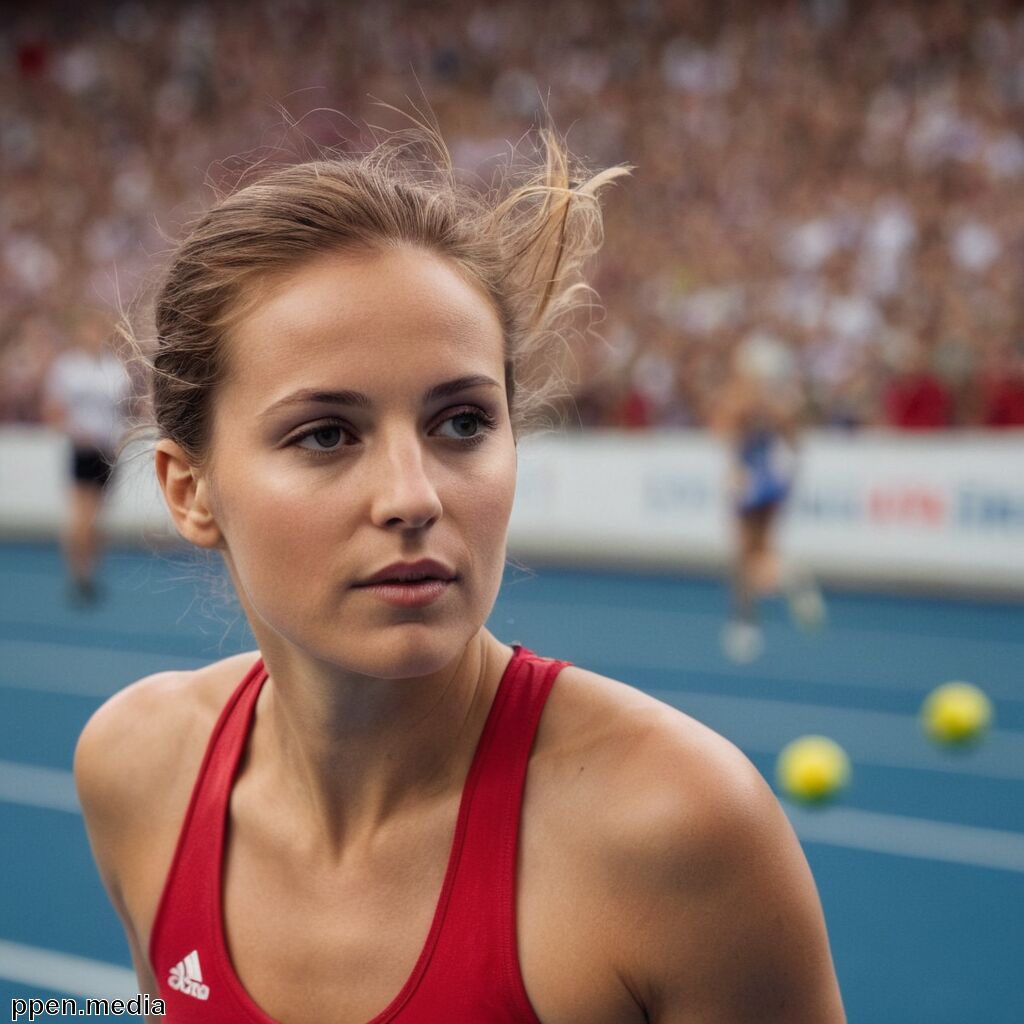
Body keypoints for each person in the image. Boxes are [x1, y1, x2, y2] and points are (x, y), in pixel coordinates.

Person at [74, 125, 845, 1023]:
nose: (413, 497)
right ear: (190, 489)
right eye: (326, 434)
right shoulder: (135, 767)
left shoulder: (679, 826)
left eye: (463, 423)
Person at [712, 332, 825, 663]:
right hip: (772, 481)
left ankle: (746, 622)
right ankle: (784, 580)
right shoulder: (780, 401)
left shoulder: (744, 401)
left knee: (745, 554)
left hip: (754, 483)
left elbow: (726, 433)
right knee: (757, 553)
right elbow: (793, 441)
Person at [44, 310, 131, 603]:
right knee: (80, 512)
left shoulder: (115, 369)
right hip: (82, 448)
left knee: (96, 516)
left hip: (106, 450)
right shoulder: (68, 368)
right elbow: (55, 409)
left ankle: (90, 569)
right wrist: (73, 431)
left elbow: (122, 411)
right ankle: (78, 572)